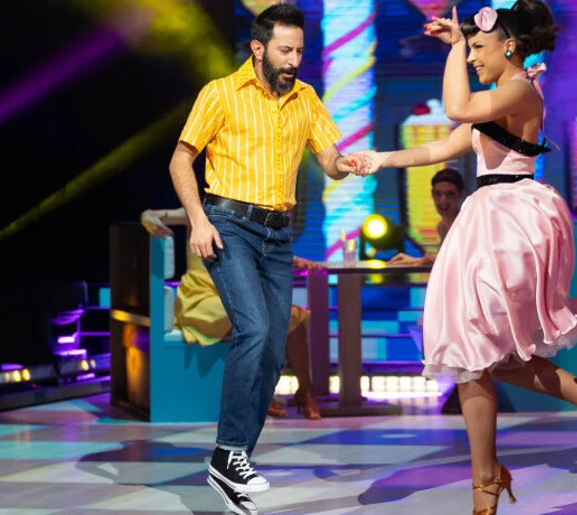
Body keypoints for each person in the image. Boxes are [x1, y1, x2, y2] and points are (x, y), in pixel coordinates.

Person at [351, 2, 577, 513]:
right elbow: (440, 147)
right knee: (480, 356)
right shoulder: (494, 101)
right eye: (469, 51)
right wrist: (378, 159)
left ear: (509, 46)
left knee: (474, 350)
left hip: (510, 221)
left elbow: (458, 107)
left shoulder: (521, 89)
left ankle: (489, 479)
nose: (472, 59)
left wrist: (454, 46)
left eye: (478, 49)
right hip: (487, 219)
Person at [167, 4, 363, 513]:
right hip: (228, 224)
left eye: (299, 51)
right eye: (285, 50)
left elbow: (328, 160)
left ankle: (233, 465)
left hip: (279, 236)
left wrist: (347, 164)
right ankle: (228, 451)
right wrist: (199, 220)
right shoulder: (220, 93)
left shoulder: (306, 98)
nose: (294, 60)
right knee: (252, 329)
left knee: (274, 350)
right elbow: (181, 159)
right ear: (259, 48)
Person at [140, 207, 323, 421]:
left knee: (291, 317)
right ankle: (263, 390)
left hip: (234, 293)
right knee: (257, 317)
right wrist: (150, 221)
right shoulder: (199, 210)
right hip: (202, 298)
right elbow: (151, 214)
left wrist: (295, 261)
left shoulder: (246, 213)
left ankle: (305, 391)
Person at [388, 168, 464, 265]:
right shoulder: (441, 226)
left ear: (460, 195)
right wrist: (414, 260)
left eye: (450, 194)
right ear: (432, 194)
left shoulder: (465, 225)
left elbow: (461, 264)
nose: (443, 200)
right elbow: (444, 262)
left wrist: (419, 260)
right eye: (438, 194)